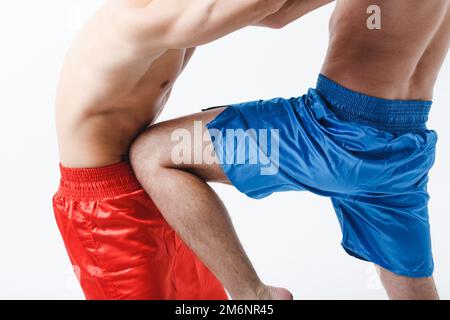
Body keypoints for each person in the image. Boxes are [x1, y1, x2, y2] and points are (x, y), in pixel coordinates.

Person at [130, 0, 450, 300]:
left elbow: (274, 14)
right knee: (416, 291)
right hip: (404, 153)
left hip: (328, 135)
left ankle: (253, 295)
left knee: (153, 154)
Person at [53, 0, 311, 300]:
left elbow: (275, 16)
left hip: (153, 177)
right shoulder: (135, 22)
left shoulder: (176, 7)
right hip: (103, 207)